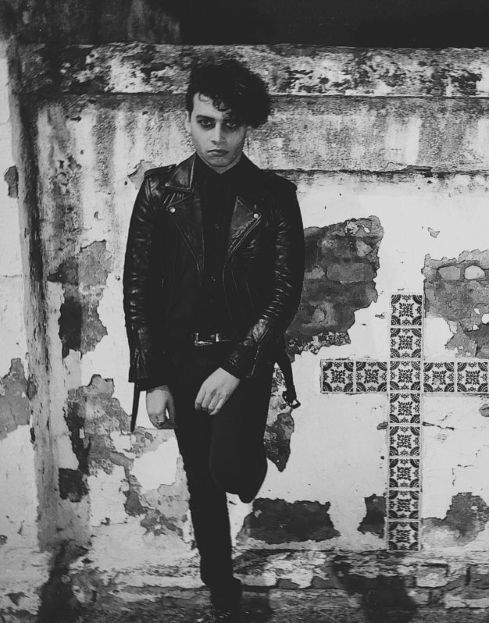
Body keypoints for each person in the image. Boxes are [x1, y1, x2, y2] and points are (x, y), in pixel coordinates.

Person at [123, 59, 305, 622]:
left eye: (230, 125)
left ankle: (248, 459)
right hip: (181, 357)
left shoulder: (274, 196)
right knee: (202, 482)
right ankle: (221, 584)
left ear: (248, 126)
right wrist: (153, 378)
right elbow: (137, 289)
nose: (217, 138)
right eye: (206, 123)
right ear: (189, 120)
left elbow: (284, 291)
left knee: (230, 470)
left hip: (242, 356)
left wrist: (236, 368)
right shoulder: (160, 191)